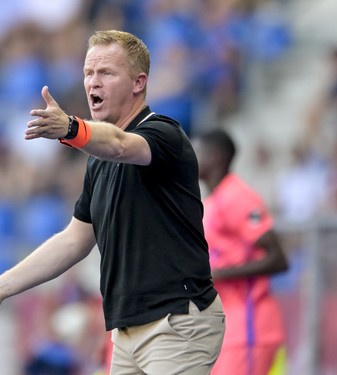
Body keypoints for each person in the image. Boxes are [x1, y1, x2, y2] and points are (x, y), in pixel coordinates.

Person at [0, 30, 225, 375]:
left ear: (139, 82)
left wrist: (71, 128)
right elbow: (73, 240)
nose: (93, 82)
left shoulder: (163, 133)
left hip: (175, 323)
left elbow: (120, 144)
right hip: (125, 334)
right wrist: (4, 285)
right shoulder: (97, 160)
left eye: (106, 72)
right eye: (89, 73)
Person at [192, 129, 289, 375]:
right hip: (226, 328)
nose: (192, 158)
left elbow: (279, 259)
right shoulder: (212, 203)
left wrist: (219, 274)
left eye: (198, 151)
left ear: (216, 157)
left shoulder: (236, 197)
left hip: (250, 325)